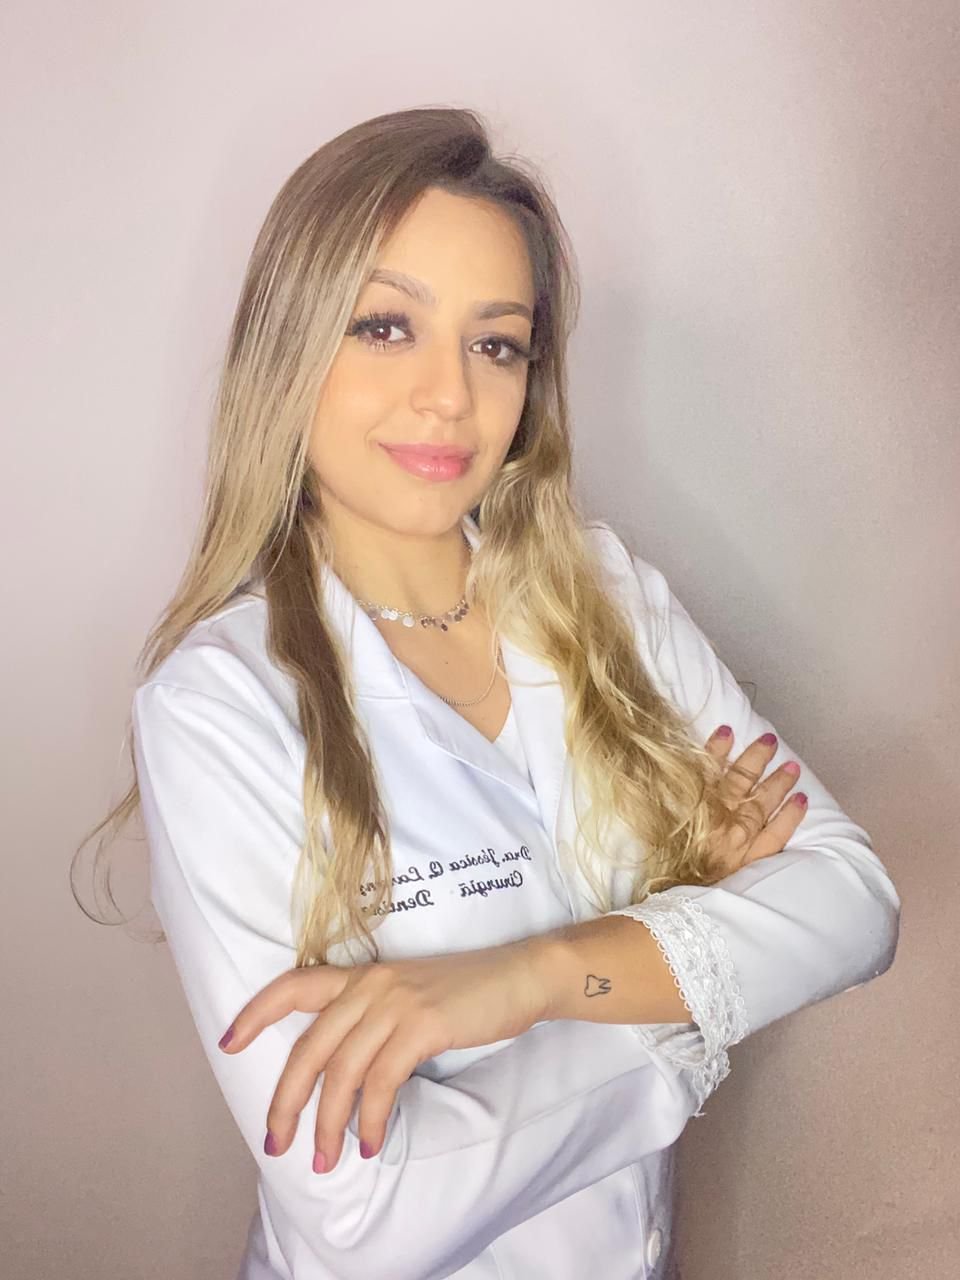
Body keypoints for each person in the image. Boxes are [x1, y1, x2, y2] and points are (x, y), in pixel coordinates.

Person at [75, 106, 901, 1280]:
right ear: (289, 347)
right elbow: (365, 1219)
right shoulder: (220, 703)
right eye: (385, 326)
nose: (448, 396)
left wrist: (529, 980)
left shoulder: (604, 593)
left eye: (497, 343)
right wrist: (682, 979)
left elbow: (855, 902)